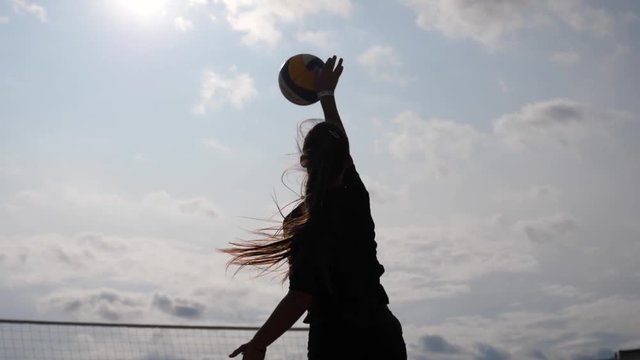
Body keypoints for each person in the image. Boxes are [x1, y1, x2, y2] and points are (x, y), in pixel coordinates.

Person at [223, 55, 407, 360]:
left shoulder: (306, 224)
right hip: (381, 334)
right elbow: (339, 145)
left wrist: (258, 344)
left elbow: (300, 298)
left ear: (303, 161)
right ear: (346, 162)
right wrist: (326, 95)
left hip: (338, 339)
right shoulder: (354, 200)